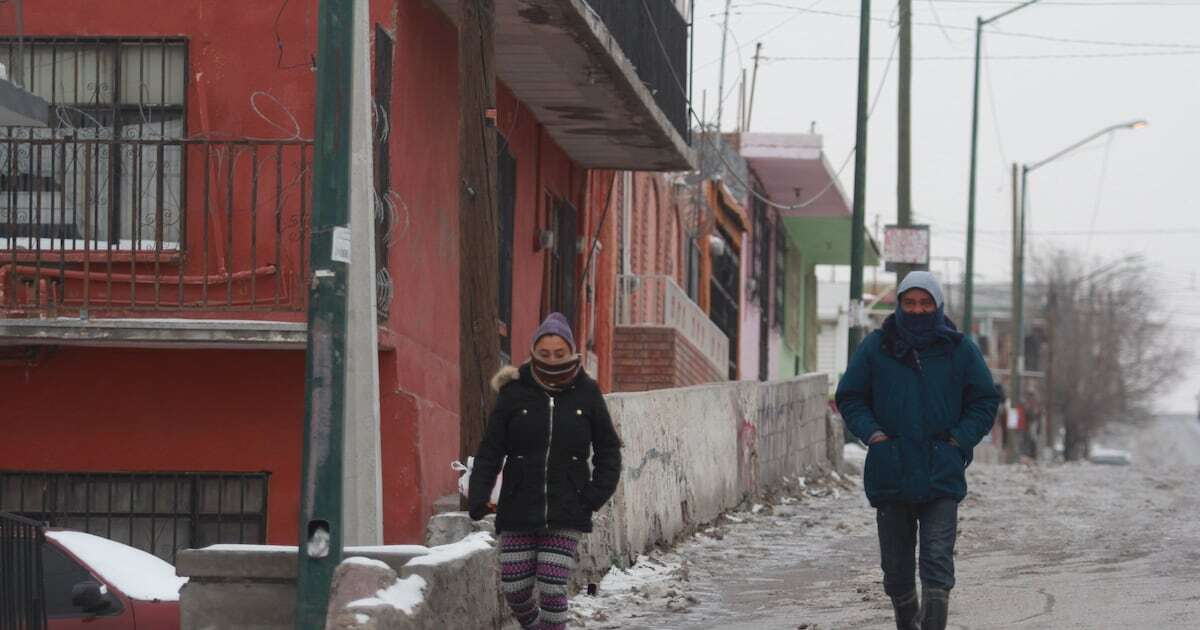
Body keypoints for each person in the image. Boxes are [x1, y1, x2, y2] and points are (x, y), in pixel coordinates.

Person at [835, 272, 1000, 630]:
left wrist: (958, 441)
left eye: (925, 303)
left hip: (941, 471)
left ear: (938, 306)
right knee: (896, 571)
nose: (918, 310)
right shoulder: (877, 346)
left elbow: (985, 400)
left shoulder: (959, 349)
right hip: (890, 472)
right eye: (910, 303)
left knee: (937, 564)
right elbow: (849, 396)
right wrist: (873, 435)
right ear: (899, 304)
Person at [468, 312, 622, 630]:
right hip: (517, 507)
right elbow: (491, 449)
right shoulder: (514, 390)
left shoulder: (587, 392)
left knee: (552, 588)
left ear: (571, 352)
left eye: (560, 353)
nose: (552, 359)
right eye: (545, 353)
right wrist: (479, 494)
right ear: (534, 352)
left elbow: (609, 452)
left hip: (567, 508)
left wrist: (590, 497)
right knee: (515, 589)